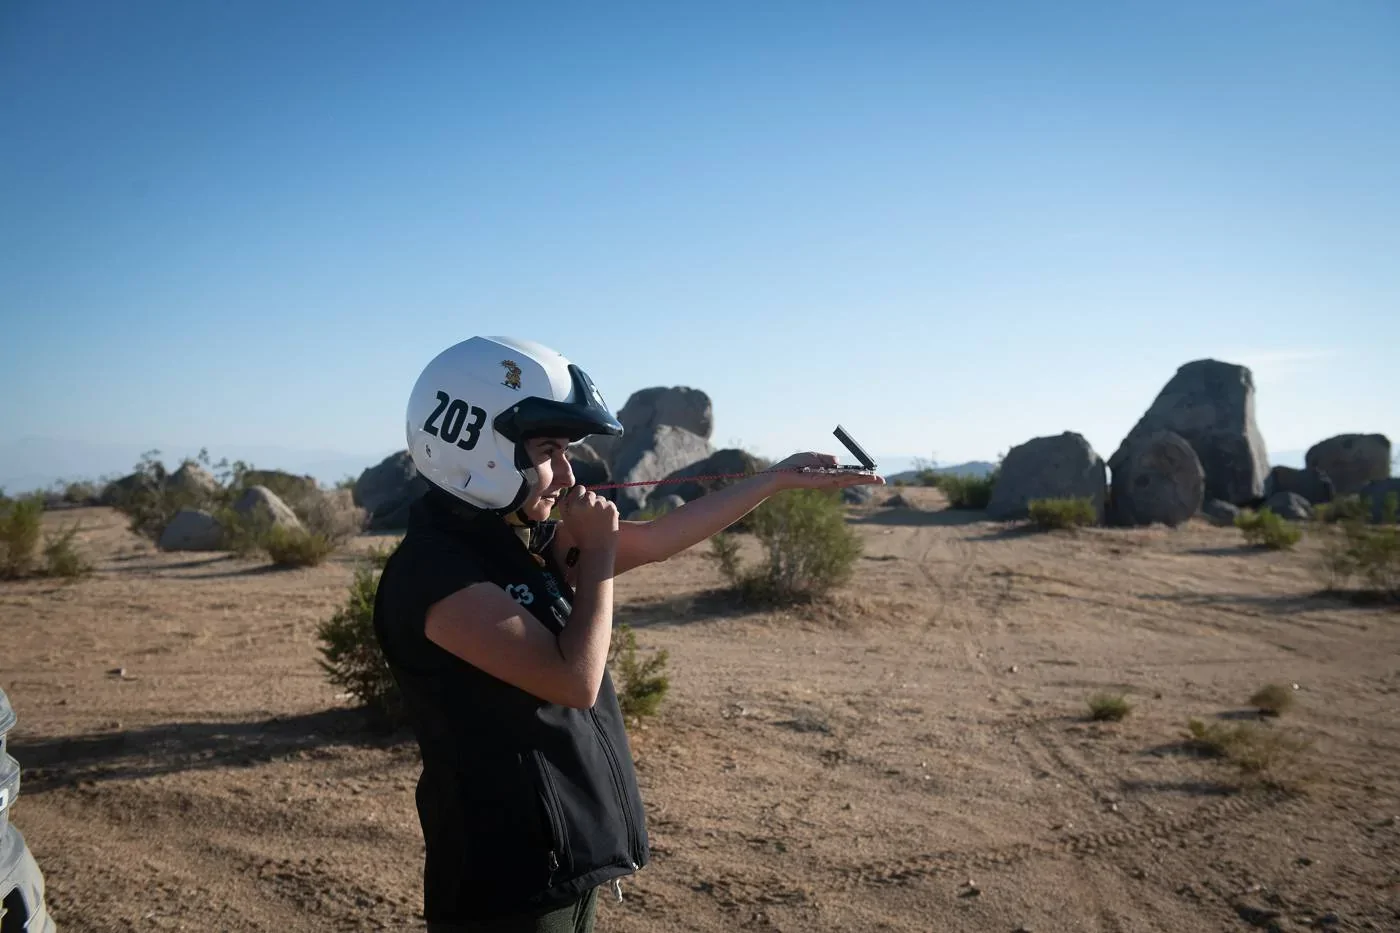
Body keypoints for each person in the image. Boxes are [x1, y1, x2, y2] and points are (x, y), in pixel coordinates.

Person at [372, 336, 883, 932]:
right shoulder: (435, 575)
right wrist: (598, 552)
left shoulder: (520, 544)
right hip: (506, 883)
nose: (567, 471)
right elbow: (573, 680)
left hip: (562, 863)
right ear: (477, 445)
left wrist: (775, 480)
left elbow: (664, 537)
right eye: (548, 450)